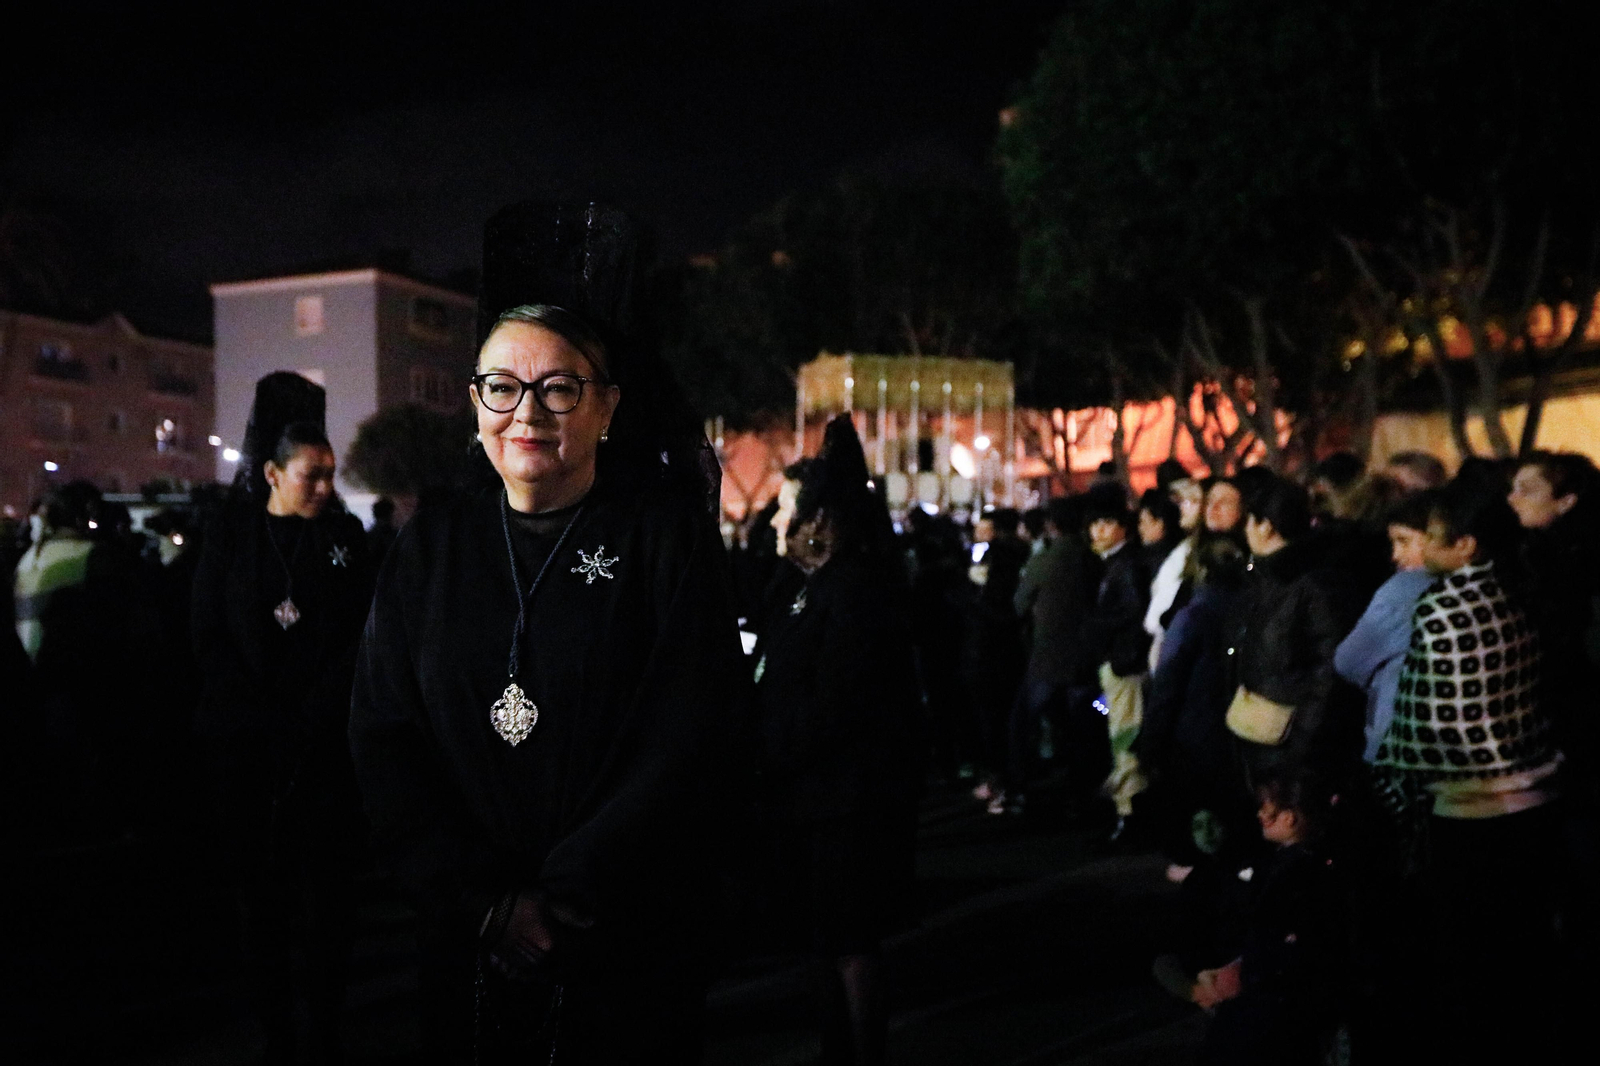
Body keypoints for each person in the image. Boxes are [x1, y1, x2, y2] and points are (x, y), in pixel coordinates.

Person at [349, 202, 744, 1065]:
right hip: (467, 937)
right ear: (475, 402)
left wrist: (565, 895)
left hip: (622, 935)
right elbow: (383, 736)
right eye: (502, 386)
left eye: (559, 386)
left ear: (607, 406)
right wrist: (486, 900)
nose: (526, 412)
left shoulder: (662, 543)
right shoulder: (432, 546)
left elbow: (691, 735)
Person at [192, 407, 375, 1063]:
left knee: (329, 908)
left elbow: (363, 634)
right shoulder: (232, 538)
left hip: (324, 754)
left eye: (330, 474)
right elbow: (209, 635)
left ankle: (324, 1029)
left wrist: (323, 706)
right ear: (272, 473)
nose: (325, 487)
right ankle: (276, 1032)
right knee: (261, 905)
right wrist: (252, 711)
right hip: (250, 754)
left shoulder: (345, 539)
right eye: (311, 474)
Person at [1372, 478, 1565, 1062]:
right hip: (1536, 797)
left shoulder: (1444, 605)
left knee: (1469, 956)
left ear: (1465, 546)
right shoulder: (1525, 590)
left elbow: (1423, 715)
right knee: (1524, 952)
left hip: (1468, 806)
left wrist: (1393, 777)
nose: (1420, 549)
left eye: (1431, 537)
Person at [755, 416, 919, 1066]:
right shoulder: (805, 588)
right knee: (823, 945)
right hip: (811, 800)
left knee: (849, 943)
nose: (773, 522)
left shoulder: (852, 592)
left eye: (785, 510)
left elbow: (834, 704)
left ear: (817, 520)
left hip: (845, 804)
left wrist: (770, 746)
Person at [1193, 773, 1345, 1066]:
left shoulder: (1296, 872)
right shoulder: (1302, 864)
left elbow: (1281, 939)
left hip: (1276, 1003)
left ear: (1291, 817)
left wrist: (1242, 976)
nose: (1261, 814)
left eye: (1269, 808)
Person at [1226, 478, 1358, 777]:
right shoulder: (1263, 578)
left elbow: (1329, 673)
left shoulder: (1313, 586)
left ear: (1266, 525)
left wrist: (1301, 744)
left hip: (1286, 751)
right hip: (1258, 737)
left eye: (1249, 520)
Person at [1334, 493, 1438, 763]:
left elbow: (1348, 659)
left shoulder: (1400, 592)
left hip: (1396, 740)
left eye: (1404, 541)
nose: (1395, 555)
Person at [1078, 489, 1152, 841]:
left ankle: (1131, 815)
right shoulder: (1115, 563)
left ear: (1124, 528)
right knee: (1120, 734)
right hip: (1118, 665)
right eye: (1095, 524)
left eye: (1107, 523)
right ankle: (1128, 809)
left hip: (1124, 667)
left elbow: (1134, 616)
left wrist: (1117, 654)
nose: (1099, 531)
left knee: (1125, 737)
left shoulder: (1125, 566)